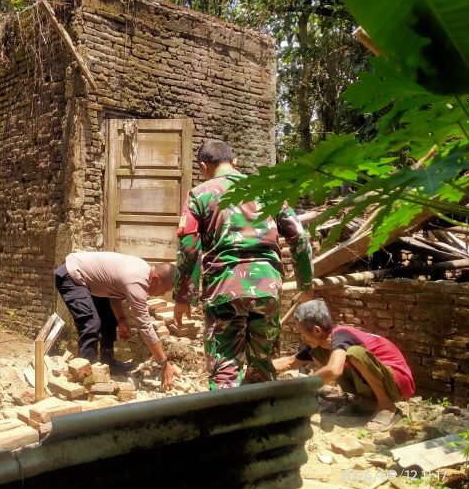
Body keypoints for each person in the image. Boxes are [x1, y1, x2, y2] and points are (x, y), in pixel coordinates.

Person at [174, 140, 313, 389]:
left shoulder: (199, 194)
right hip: (266, 287)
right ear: (235, 162)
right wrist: (305, 282)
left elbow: (188, 248)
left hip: (224, 288)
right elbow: (299, 235)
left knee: (225, 370)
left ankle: (228, 424)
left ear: (203, 166)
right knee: (262, 366)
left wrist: (184, 296)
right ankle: (262, 422)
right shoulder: (268, 190)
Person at [274, 298, 415, 431]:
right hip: (381, 380)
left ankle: (387, 407)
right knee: (320, 355)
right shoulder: (321, 345)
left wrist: (303, 387)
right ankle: (366, 402)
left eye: (302, 332)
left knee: (353, 353)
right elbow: (290, 362)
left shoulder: (341, 335)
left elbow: (334, 371)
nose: (301, 336)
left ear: (317, 330)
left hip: (398, 382)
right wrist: (257, 368)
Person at [54, 251, 177, 389]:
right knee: (91, 324)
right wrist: (164, 362)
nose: (162, 294)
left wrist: (122, 320)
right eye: (164, 289)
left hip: (84, 277)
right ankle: (86, 378)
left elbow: (113, 293)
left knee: (109, 316)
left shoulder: (143, 269)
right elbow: (145, 327)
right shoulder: (137, 281)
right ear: (155, 279)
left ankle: (108, 362)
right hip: (71, 275)